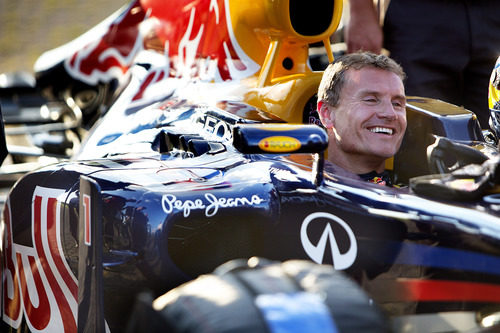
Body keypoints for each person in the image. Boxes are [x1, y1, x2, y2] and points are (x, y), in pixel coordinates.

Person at [345, 0, 500, 129]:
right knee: (417, 136)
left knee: (493, 137)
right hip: (418, 16)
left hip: (493, 16)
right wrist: (360, 11)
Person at [317, 52, 406, 186]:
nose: (390, 113)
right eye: (371, 100)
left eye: (397, 104)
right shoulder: (295, 192)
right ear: (327, 114)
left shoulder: (425, 195)